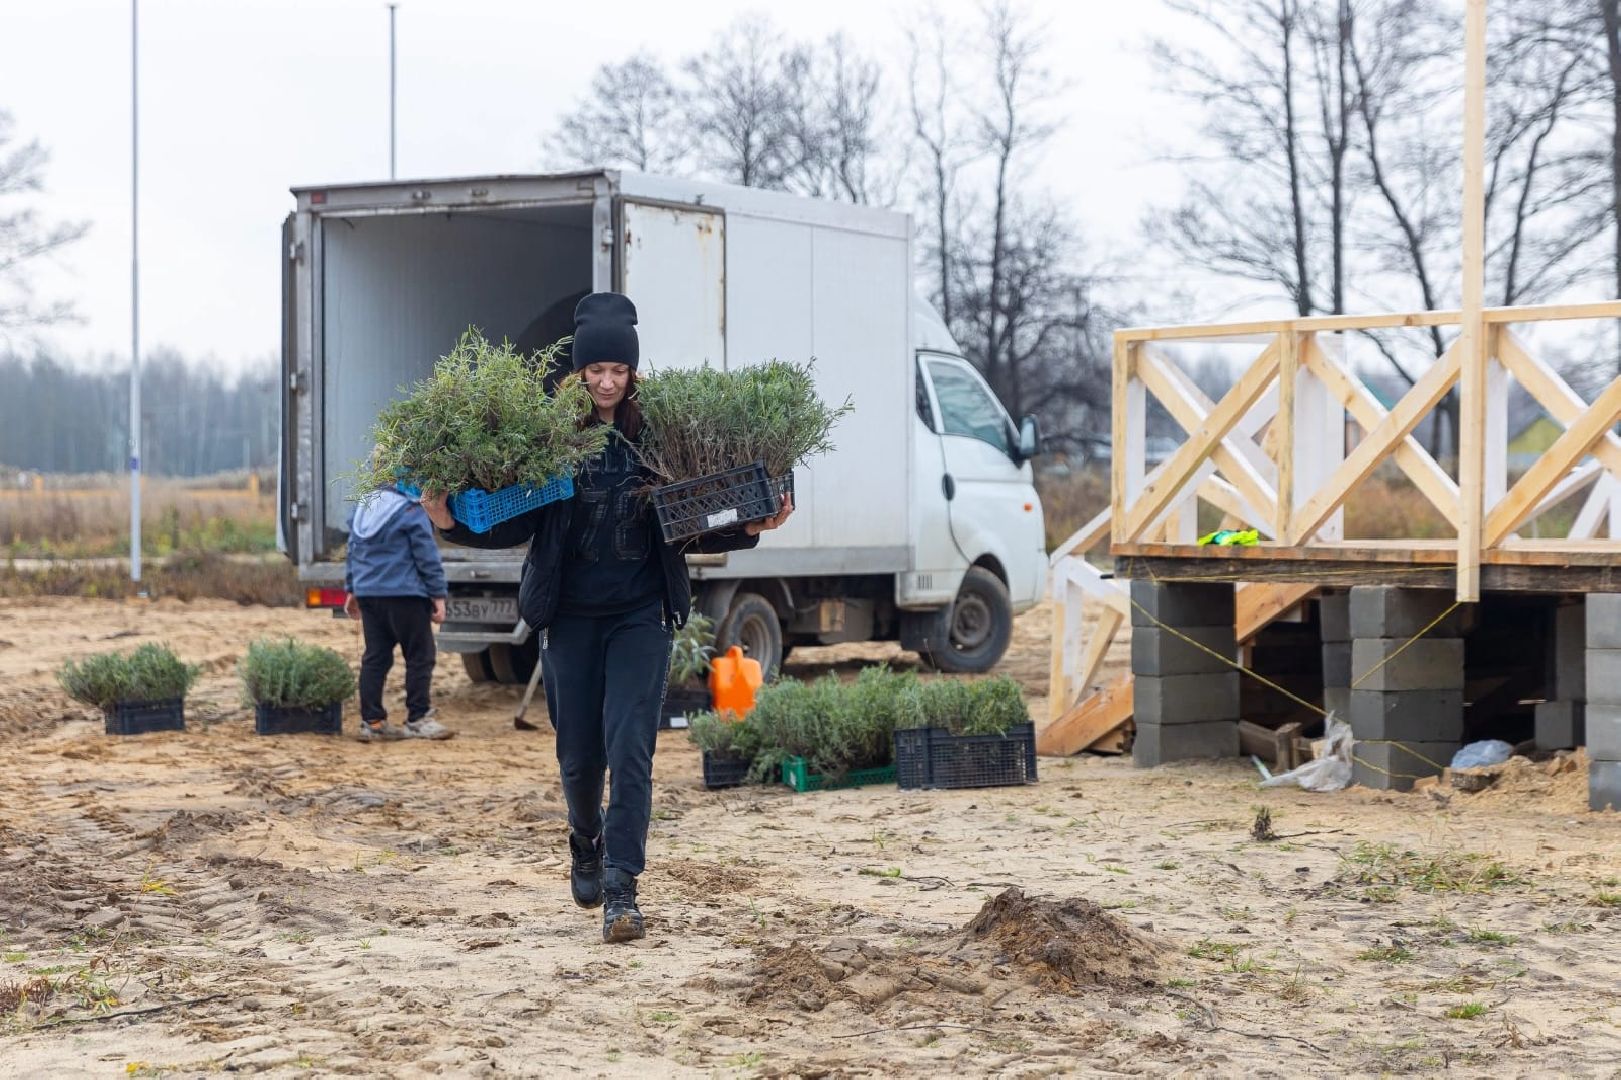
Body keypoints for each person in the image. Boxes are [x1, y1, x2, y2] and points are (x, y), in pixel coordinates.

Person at [422, 292, 792, 943]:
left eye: (617, 370)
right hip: (567, 618)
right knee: (578, 754)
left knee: (632, 749)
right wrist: (450, 523)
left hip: (638, 615)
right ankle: (584, 841)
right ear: (579, 373)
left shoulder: (658, 436)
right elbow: (514, 520)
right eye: (595, 370)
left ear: (631, 373)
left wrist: (749, 528)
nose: (606, 381)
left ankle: (622, 885)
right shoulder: (551, 438)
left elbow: (692, 524)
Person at [344, 479, 453, 741]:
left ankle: (373, 722)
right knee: (420, 655)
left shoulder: (364, 507)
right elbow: (426, 555)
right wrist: (438, 594)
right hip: (404, 594)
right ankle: (418, 718)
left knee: (376, 657)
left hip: (369, 594)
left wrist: (351, 588)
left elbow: (352, 550)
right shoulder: (409, 509)